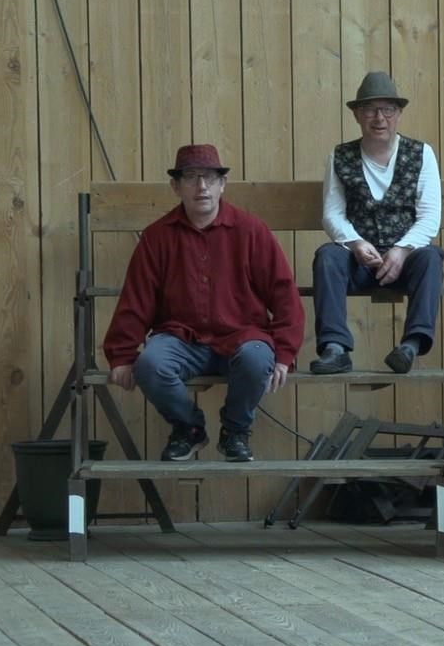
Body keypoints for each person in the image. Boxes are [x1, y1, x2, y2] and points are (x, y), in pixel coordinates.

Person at [103, 144, 304, 462]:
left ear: (223, 184)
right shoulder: (157, 237)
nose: (201, 187)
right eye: (191, 177)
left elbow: (284, 295)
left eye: (210, 178)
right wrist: (121, 355)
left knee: (257, 359)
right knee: (150, 365)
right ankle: (189, 429)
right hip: (181, 339)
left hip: (243, 337)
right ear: (176, 186)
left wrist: (285, 353)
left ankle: (235, 431)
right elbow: (136, 299)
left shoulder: (252, 231)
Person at [309, 71, 444, 375]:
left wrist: (402, 250)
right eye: (370, 109)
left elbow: (429, 216)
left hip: (406, 263)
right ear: (357, 115)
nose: (379, 118)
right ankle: (335, 348)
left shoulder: (422, 154)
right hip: (359, 262)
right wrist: (356, 243)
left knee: (431, 258)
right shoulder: (340, 156)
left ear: (399, 114)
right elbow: (332, 213)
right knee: (327, 256)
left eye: (388, 110)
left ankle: (410, 346)